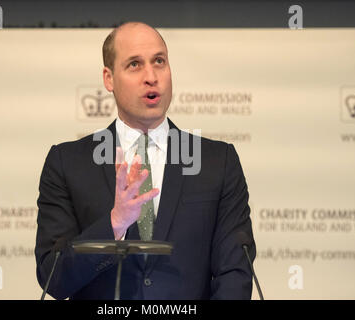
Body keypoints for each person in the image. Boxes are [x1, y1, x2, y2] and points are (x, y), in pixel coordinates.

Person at [35, 22, 256, 300]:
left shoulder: (217, 162)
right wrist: (115, 223)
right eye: (135, 65)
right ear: (109, 78)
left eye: (159, 62)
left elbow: (234, 273)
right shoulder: (67, 163)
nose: (151, 76)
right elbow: (53, 277)